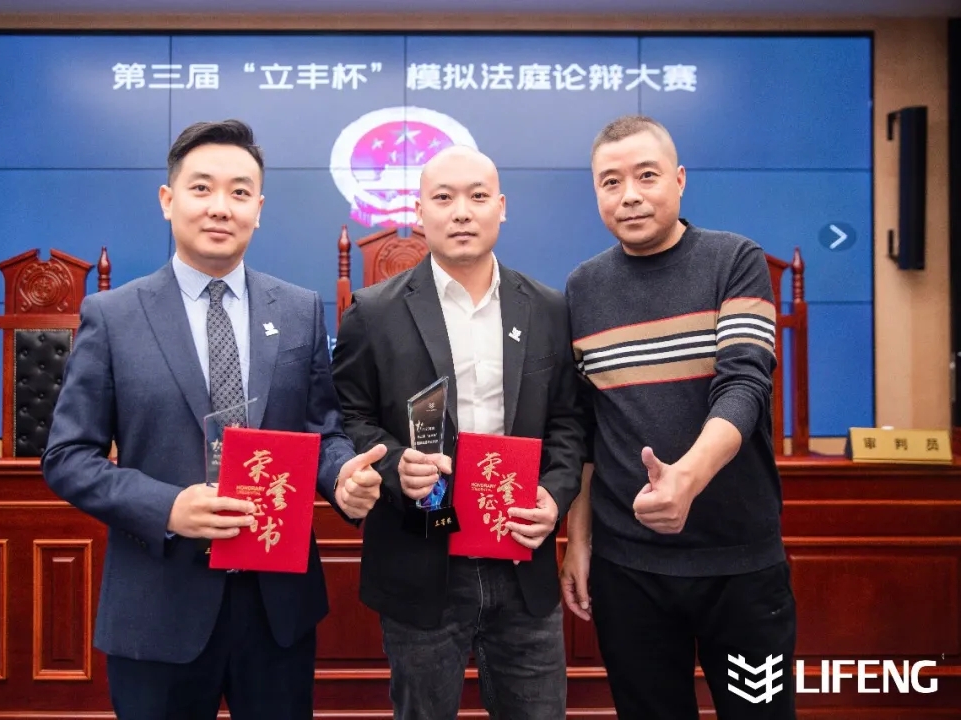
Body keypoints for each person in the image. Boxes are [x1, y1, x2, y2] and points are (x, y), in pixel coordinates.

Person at [41, 119, 387, 720]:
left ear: (259, 209)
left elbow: (321, 431)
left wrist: (343, 478)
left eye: (239, 192)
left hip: (276, 608)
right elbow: (67, 458)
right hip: (158, 604)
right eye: (201, 188)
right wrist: (167, 507)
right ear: (168, 199)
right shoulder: (113, 316)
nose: (220, 207)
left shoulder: (299, 310)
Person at [331, 145, 585, 720]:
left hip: (520, 554)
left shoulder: (547, 308)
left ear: (502, 207)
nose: (462, 211)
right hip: (421, 559)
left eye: (477, 196)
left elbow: (569, 421)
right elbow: (350, 417)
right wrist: (393, 466)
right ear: (420, 212)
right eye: (443, 198)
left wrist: (555, 495)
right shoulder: (372, 312)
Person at [560, 114, 797, 719]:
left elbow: (745, 383)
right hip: (627, 570)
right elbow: (584, 430)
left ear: (680, 179)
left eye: (647, 175)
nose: (629, 195)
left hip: (739, 564)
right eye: (611, 182)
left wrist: (685, 480)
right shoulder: (582, 288)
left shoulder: (733, 260)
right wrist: (579, 541)